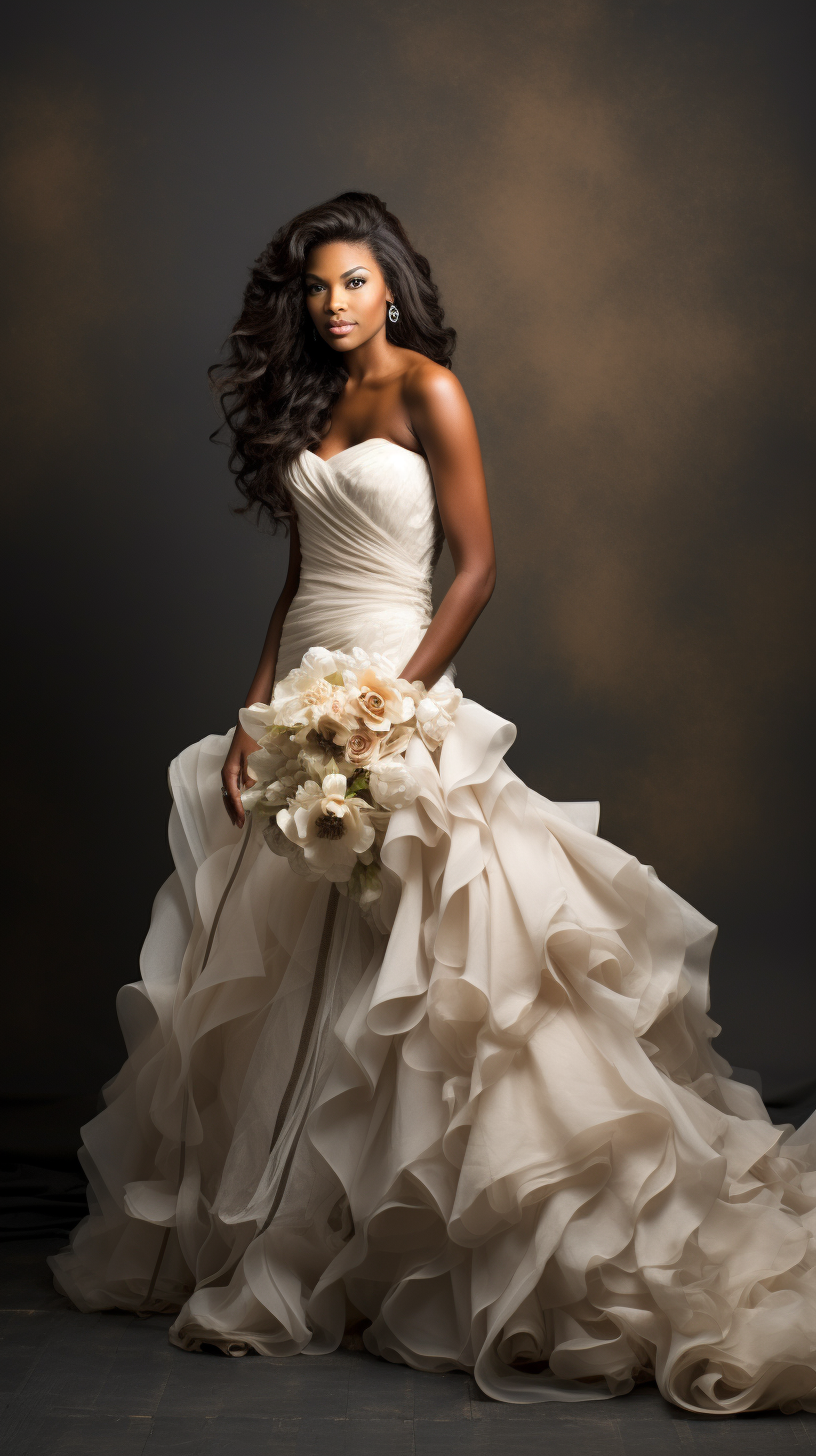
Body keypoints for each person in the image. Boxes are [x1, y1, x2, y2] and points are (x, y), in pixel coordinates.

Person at [50, 192, 816, 1414]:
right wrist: (255, 714)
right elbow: (301, 573)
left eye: (353, 283)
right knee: (298, 956)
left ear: (391, 288)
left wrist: (394, 705)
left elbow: (480, 567)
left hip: (394, 684)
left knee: (430, 952)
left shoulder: (429, 393)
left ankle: (440, 1234)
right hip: (308, 678)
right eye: (316, 288)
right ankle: (312, 1226)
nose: (333, 304)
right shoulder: (315, 400)